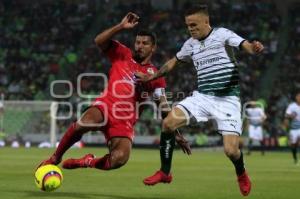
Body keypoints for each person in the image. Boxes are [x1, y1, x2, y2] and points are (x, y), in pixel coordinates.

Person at [136, 4, 264, 196]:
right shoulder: (190, 44)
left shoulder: (222, 34)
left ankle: (241, 172)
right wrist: (150, 77)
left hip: (227, 100)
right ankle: (164, 172)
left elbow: (245, 45)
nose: (191, 29)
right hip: (203, 97)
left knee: (231, 151)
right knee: (168, 123)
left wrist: (253, 48)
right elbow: (173, 62)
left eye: (194, 25)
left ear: (206, 21)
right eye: (188, 25)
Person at [37, 12, 190, 172]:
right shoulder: (123, 54)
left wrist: (175, 132)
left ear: (153, 47)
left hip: (125, 119)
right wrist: (120, 26)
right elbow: (99, 41)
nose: (139, 46)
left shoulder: (155, 75)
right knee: (83, 123)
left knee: (119, 159)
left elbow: (163, 105)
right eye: (137, 42)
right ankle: (56, 157)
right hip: (106, 106)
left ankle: (88, 162)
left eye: (145, 43)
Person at [283, 91, 300, 164]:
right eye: (298, 96)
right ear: (296, 98)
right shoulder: (292, 106)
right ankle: (295, 159)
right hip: (294, 128)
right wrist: (291, 116)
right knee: (294, 145)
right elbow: (286, 116)